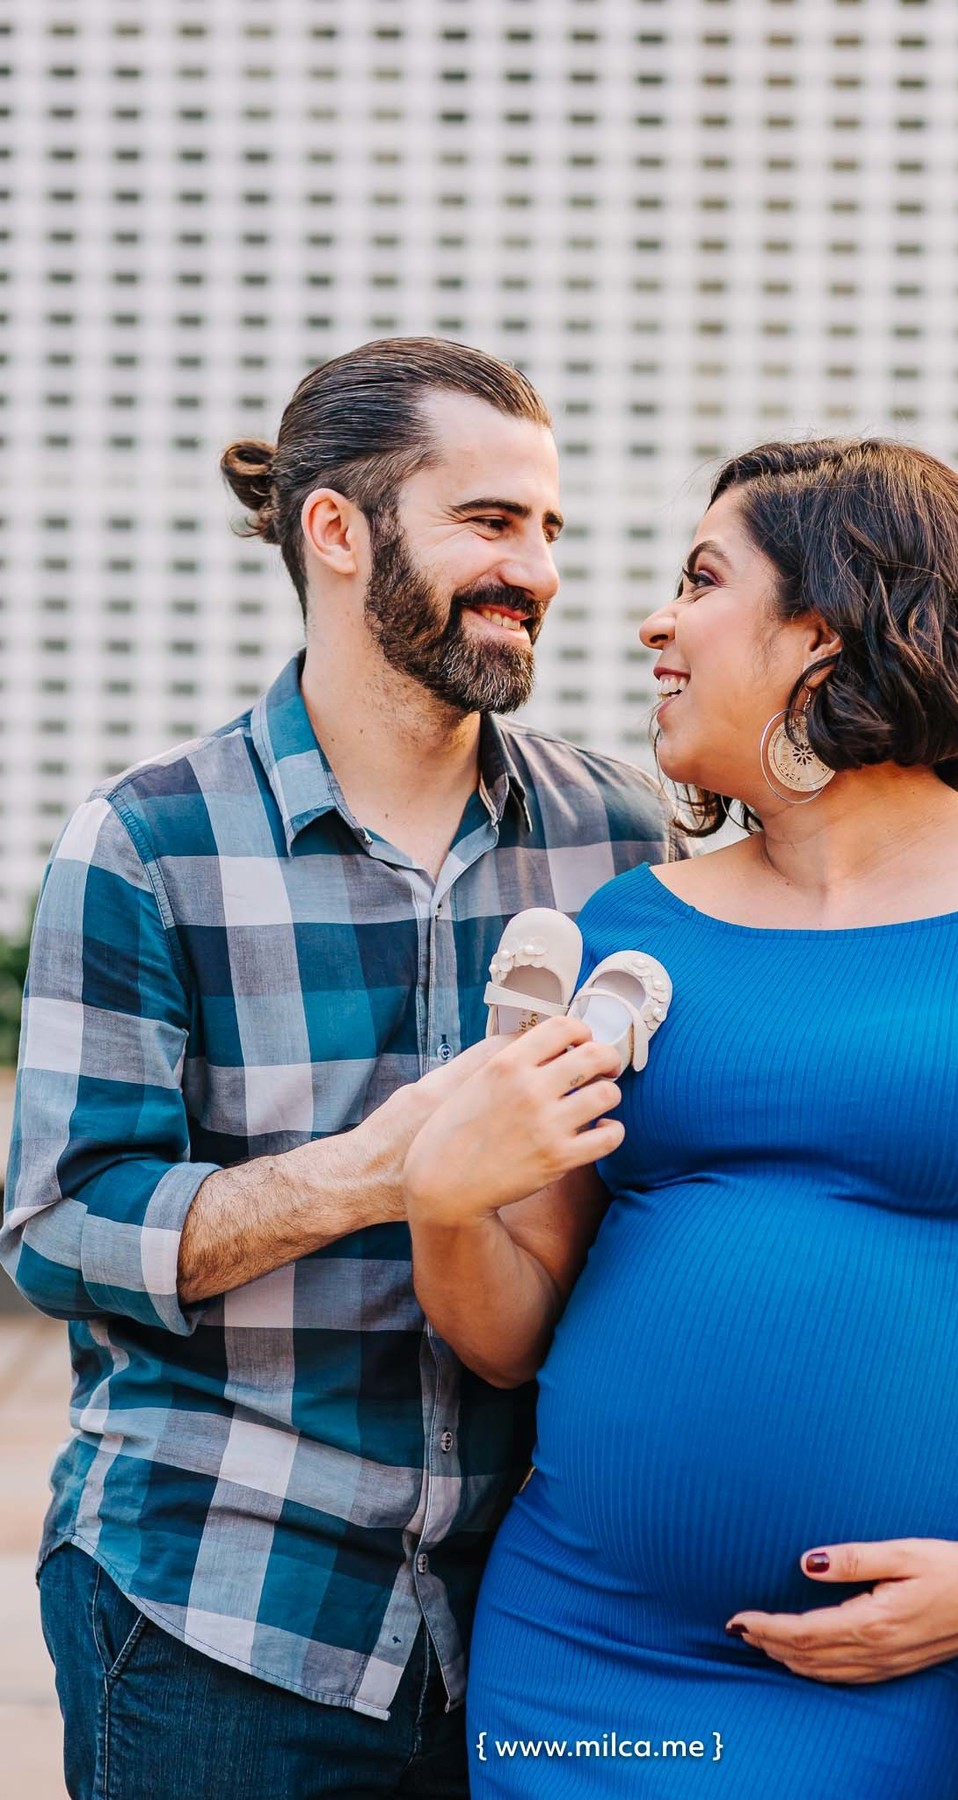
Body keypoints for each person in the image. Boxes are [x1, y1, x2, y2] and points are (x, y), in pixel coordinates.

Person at [401, 439, 958, 1798]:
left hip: (899, 1669)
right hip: (578, 1660)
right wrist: (442, 1200)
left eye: (702, 579)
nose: (653, 619)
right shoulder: (633, 928)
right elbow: (507, 1338)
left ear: (828, 629)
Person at [0, 337, 681, 1800]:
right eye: (490, 524)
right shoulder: (146, 846)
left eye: (550, 530)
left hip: (537, 1616)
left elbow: (761, 1173)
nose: (541, 572)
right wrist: (379, 1174)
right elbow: (60, 1228)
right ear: (337, 529)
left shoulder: (624, 844)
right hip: (223, 1608)